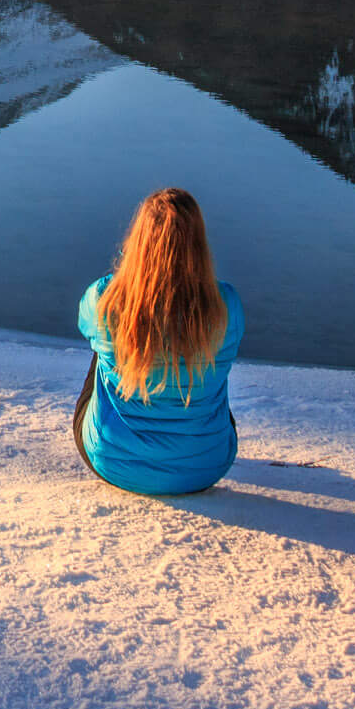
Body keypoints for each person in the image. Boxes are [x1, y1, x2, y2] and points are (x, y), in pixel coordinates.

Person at [72, 187, 243, 496]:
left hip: (113, 462)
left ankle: (131, 434)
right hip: (207, 467)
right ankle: (189, 441)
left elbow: (85, 326)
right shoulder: (226, 304)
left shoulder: (104, 298)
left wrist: (131, 280)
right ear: (199, 245)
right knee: (210, 356)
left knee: (105, 347)